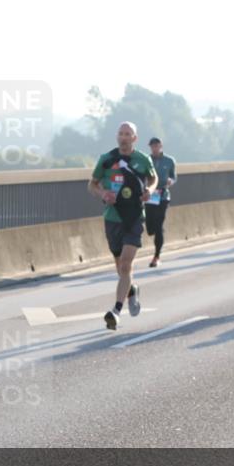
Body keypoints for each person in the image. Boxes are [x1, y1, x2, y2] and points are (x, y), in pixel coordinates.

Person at [89, 122, 157, 330]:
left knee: (126, 265)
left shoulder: (142, 159)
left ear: (134, 138)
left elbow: (153, 178)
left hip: (134, 217)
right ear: (117, 137)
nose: (124, 137)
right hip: (113, 217)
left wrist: (150, 191)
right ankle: (132, 290)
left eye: (128, 134)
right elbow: (92, 183)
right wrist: (103, 194)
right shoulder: (107, 159)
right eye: (121, 134)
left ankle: (116, 311)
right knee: (120, 267)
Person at [145, 137, 177, 267]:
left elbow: (174, 177)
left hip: (163, 195)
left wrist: (171, 181)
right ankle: (153, 231)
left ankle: (156, 256)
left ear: (161, 146)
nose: (155, 148)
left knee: (159, 226)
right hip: (150, 195)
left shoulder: (169, 161)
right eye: (152, 146)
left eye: (157, 146)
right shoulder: (146, 160)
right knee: (150, 228)